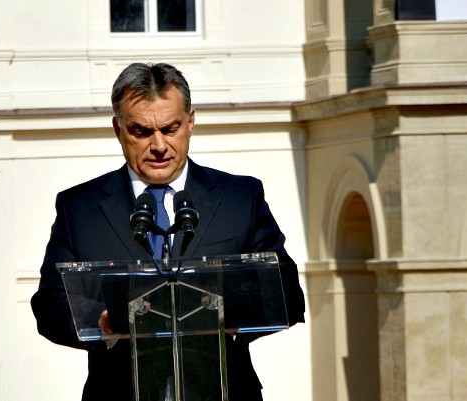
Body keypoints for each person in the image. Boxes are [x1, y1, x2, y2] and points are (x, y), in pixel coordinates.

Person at [31, 62, 305, 401]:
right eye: (142, 132)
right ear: (118, 129)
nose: (159, 145)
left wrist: (227, 311)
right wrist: (101, 322)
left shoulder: (239, 198)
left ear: (190, 122)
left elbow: (287, 291)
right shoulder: (80, 208)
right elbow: (49, 305)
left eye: (170, 128)